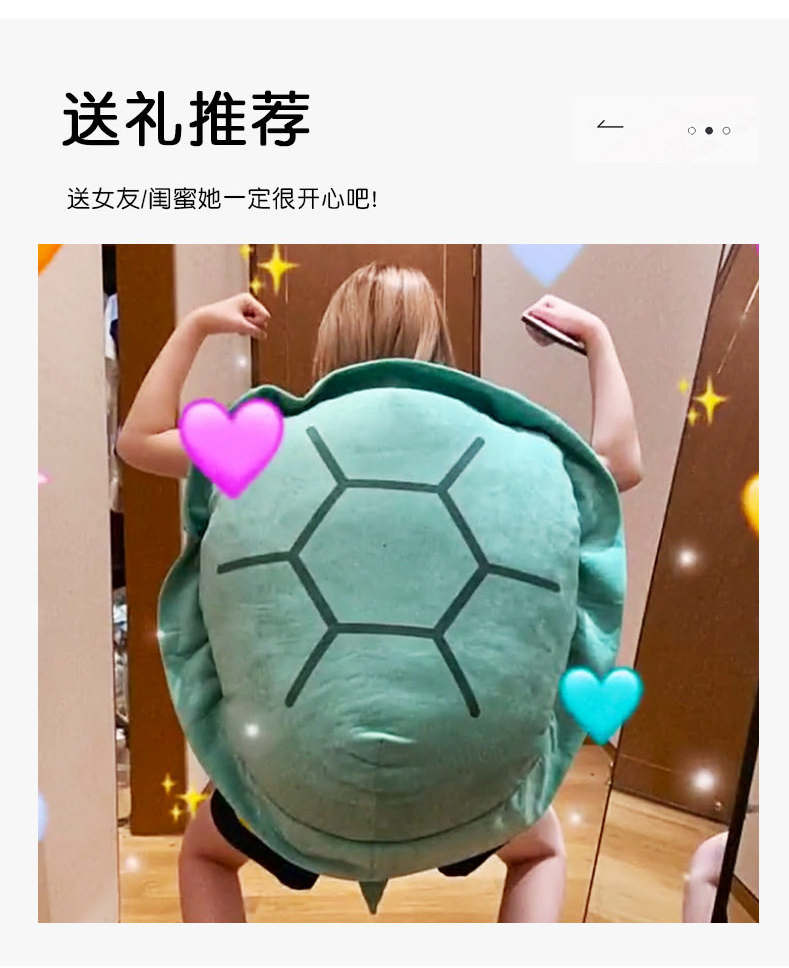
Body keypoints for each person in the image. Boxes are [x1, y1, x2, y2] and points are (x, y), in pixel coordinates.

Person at [117, 263, 642, 923]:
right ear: (439, 345)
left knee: (205, 852)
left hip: (300, 782)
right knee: (540, 848)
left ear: (329, 343)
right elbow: (620, 463)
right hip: (464, 780)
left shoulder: (266, 450)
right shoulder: (511, 454)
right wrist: (596, 339)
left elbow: (138, 440)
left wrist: (195, 326)